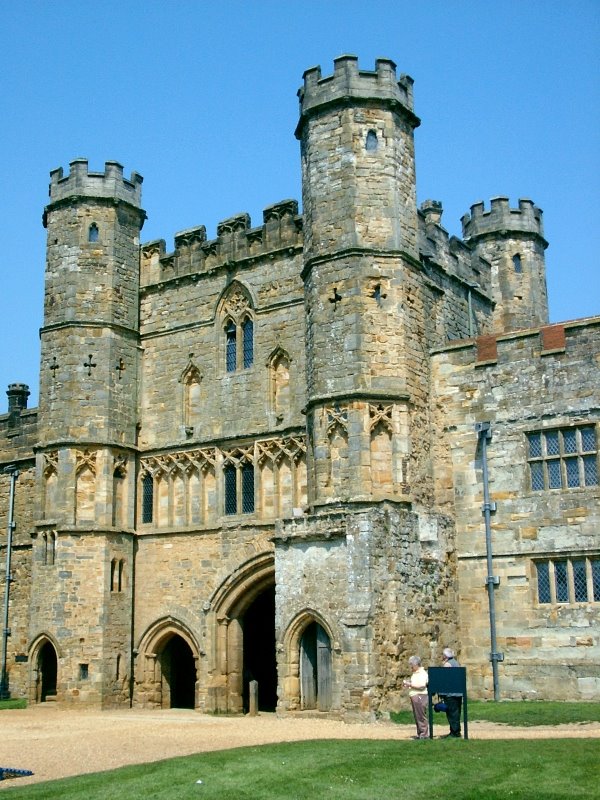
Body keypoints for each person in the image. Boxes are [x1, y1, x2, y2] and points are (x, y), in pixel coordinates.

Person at [403, 655, 429, 739]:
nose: (410, 667)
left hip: (420, 696)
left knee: (421, 716)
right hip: (415, 695)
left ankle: (424, 734)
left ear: (415, 665)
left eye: (411, 665)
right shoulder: (416, 673)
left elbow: (422, 686)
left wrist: (410, 684)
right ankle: (420, 733)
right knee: (417, 716)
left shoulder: (422, 673)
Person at [441, 647, 462, 738]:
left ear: (445, 656)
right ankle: (456, 731)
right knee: (456, 712)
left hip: (451, 693)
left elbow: (445, 678)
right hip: (458, 692)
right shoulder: (456, 663)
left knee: (451, 713)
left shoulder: (448, 664)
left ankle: (454, 732)